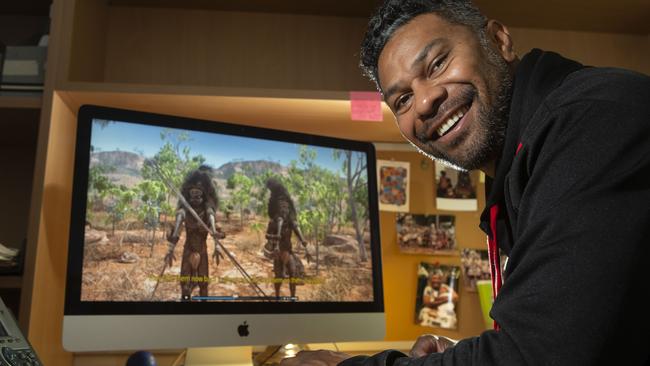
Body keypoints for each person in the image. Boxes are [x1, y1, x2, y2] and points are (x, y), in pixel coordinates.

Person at [281, 0, 650, 364]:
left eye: (438, 63)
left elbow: (534, 355)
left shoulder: (590, 117)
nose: (424, 101)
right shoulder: (521, 166)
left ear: (499, 40)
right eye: (403, 99)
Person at [165, 165, 225, 301]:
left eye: (199, 193)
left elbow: (216, 231)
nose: (196, 196)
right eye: (193, 193)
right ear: (188, 194)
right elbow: (177, 230)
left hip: (202, 251)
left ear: (204, 194)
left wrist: (217, 244)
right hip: (188, 250)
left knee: (204, 284)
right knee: (185, 285)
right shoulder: (183, 212)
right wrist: (171, 249)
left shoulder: (209, 213)